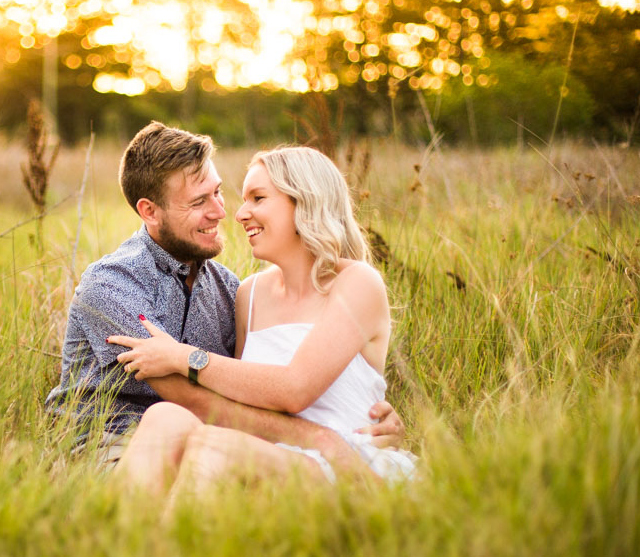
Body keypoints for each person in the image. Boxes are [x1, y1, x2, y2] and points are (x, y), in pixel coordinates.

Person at [45, 122, 404, 464]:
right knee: (176, 428)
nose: (222, 212)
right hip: (109, 445)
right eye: (199, 202)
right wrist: (322, 438)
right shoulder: (111, 285)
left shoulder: (230, 288)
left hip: (211, 441)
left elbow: (254, 382)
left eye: (217, 192)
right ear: (150, 212)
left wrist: (362, 410)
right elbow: (192, 400)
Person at [108, 145, 418, 496]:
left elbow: (294, 389)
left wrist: (182, 357)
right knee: (165, 417)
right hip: (271, 450)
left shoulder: (357, 282)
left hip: (345, 462)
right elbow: (241, 400)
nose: (239, 214)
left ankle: (174, 546)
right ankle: (121, 542)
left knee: (215, 447)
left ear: (305, 201)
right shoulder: (250, 294)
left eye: (258, 197)